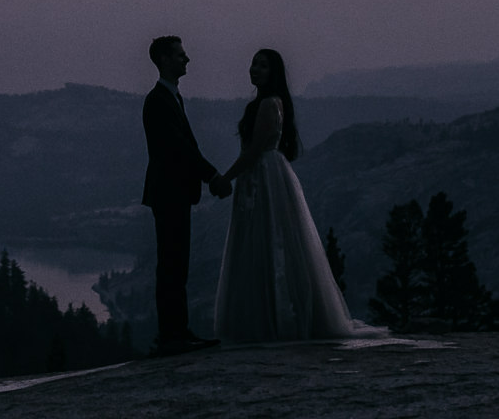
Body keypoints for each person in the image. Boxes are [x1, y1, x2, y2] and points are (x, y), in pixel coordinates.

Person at [211, 48, 357, 342]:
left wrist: (225, 177)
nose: (255, 69)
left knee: (269, 242)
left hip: (263, 178)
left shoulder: (268, 104)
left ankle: (274, 319)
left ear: (273, 72)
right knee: (262, 243)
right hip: (259, 178)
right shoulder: (264, 103)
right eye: (253, 63)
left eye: (262, 66)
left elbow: (254, 151)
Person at [141, 35, 226, 355]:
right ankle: (173, 335)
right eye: (180, 55)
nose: (186, 59)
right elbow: (181, 149)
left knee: (176, 265)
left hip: (172, 194)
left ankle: (177, 332)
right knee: (172, 266)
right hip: (169, 194)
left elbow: (183, 149)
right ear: (164, 60)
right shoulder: (158, 101)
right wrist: (212, 176)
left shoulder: (170, 98)